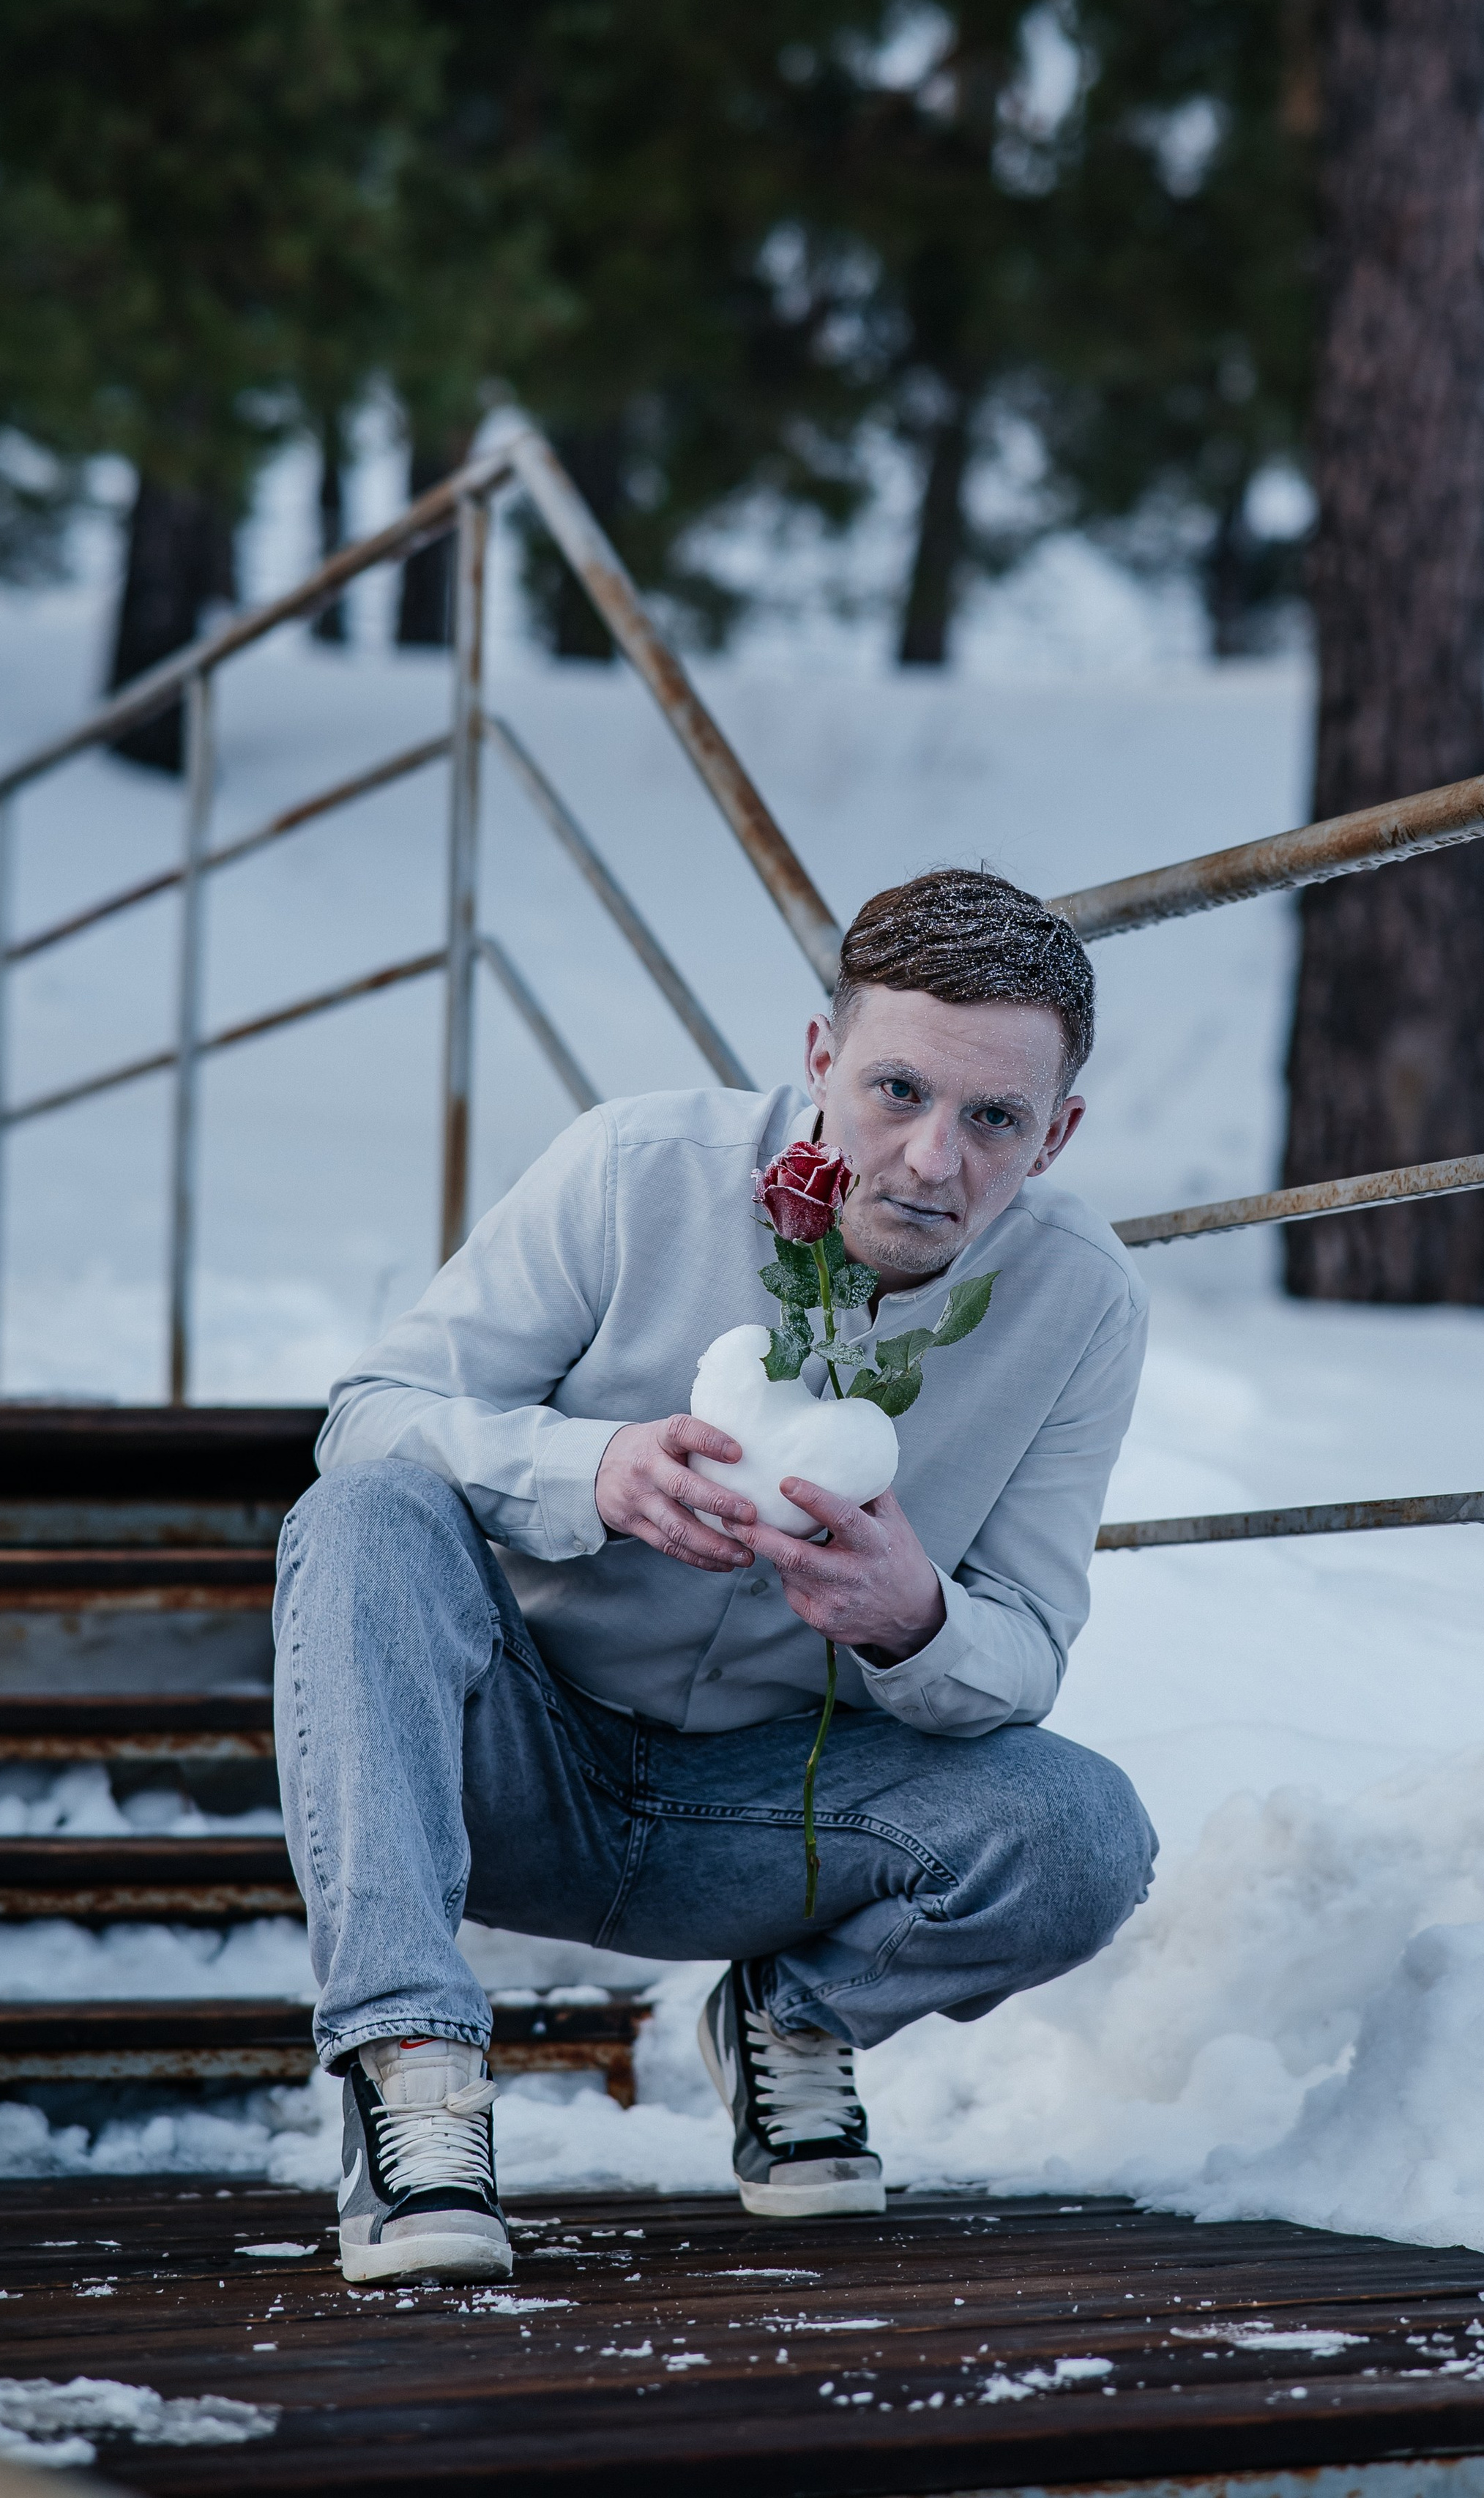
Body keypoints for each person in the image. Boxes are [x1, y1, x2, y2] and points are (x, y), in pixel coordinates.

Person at [277, 867, 1155, 2285]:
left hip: (784, 1819)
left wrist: (915, 1620)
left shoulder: (1082, 1304)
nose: (932, 1158)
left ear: (1052, 1134)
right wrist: (593, 1470)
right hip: (513, 1765)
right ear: (817, 1057)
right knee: (366, 1512)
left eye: (992, 1118)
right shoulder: (632, 1174)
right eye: (895, 1092)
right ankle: (411, 2070)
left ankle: (791, 2017)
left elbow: (1030, 1646)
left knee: (1087, 1833)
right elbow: (366, 1417)